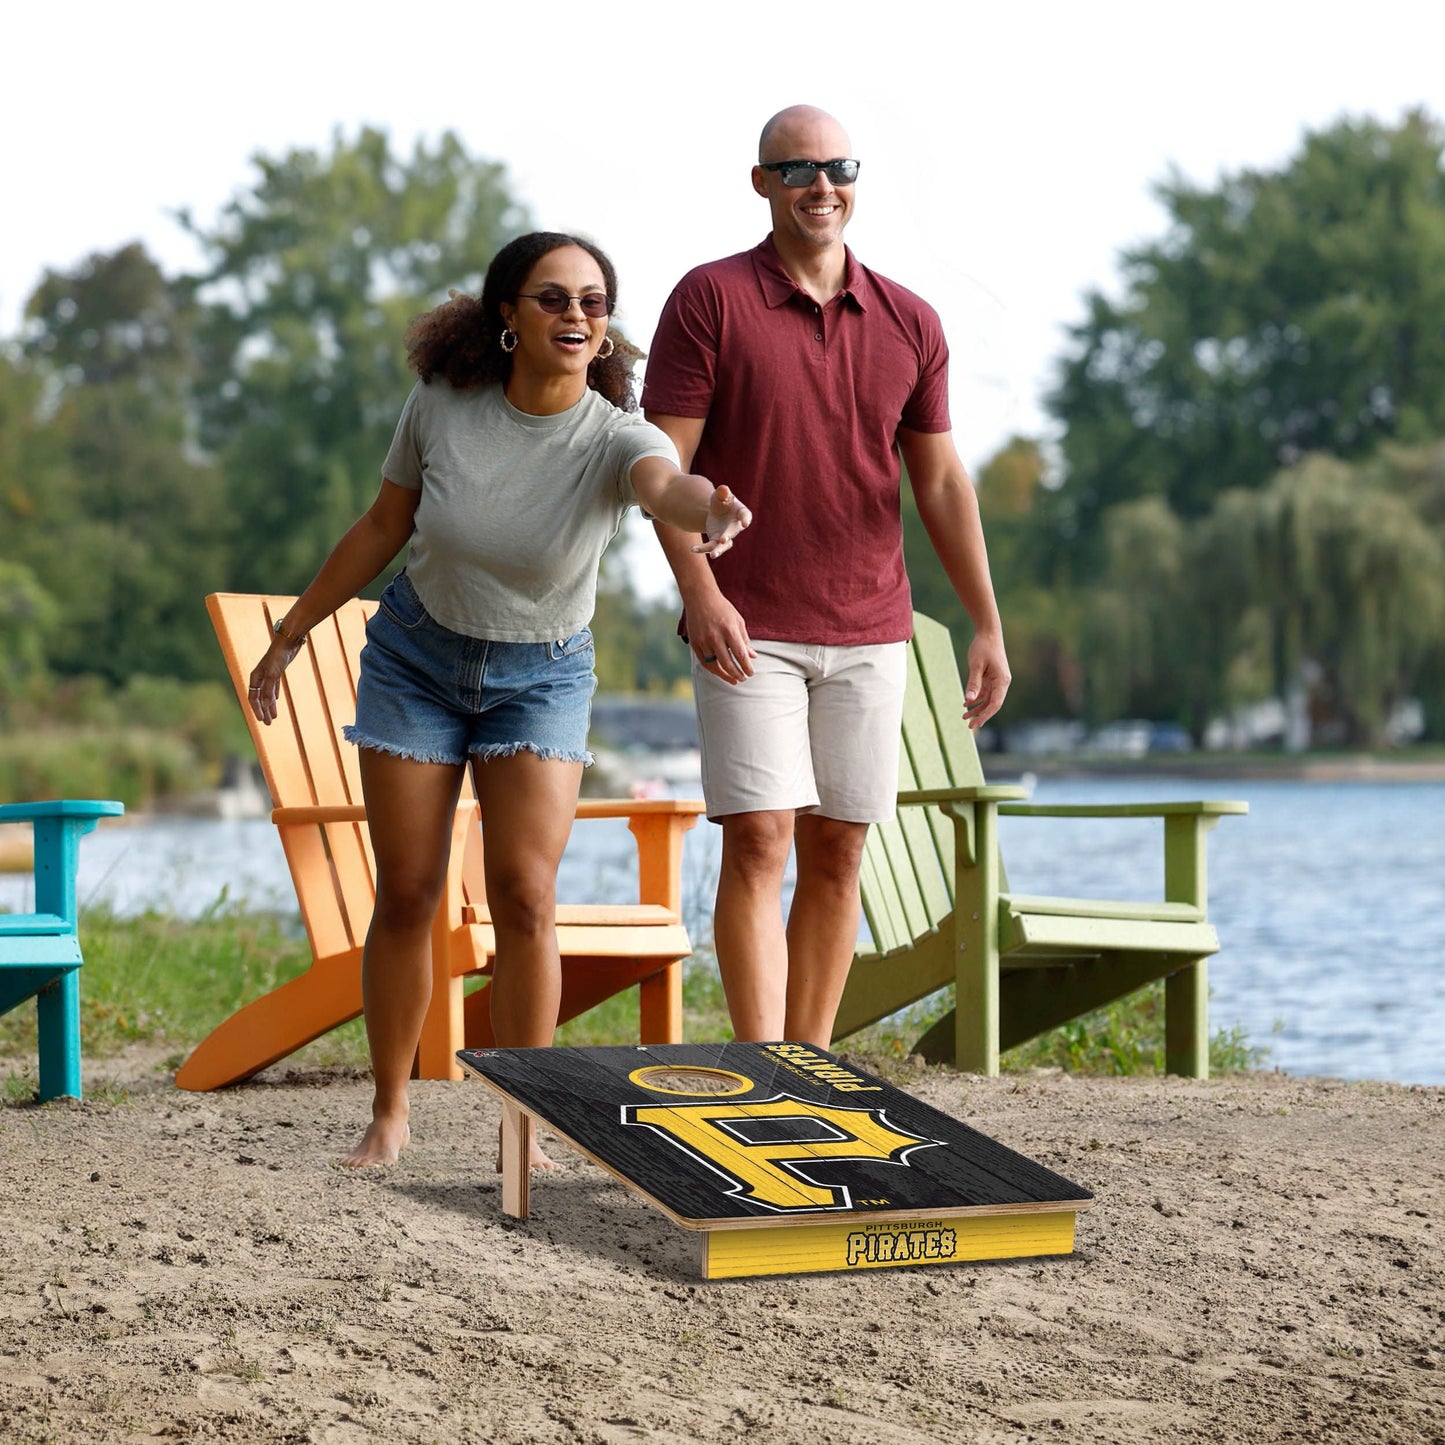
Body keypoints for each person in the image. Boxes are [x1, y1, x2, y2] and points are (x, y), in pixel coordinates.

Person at [246, 231, 752, 1169]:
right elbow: (383, 524)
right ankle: (390, 1110)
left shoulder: (616, 436)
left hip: (542, 675)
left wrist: (708, 510)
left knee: (525, 895)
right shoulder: (442, 404)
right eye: (552, 297)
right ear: (508, 315)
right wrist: (294, 629)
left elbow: (664, 487)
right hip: (416, 660)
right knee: (408, 891)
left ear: (606, 328)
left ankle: (525, 1120)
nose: (575, 314)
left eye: (592, 301)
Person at [641, 105, 1009, 1051]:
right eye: (797, 168)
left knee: (839, 848)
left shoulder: (909, 320)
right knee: (760, 837)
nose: (820, 185)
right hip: (746, 623)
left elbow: (940, 482)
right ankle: (763, 1063)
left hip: (870, 626)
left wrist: (985, 622)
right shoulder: (708, 299)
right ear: (760, 183)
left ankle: (806, 1063)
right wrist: (700, 595)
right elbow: (659, 470)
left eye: (837, 167)